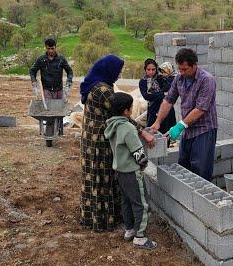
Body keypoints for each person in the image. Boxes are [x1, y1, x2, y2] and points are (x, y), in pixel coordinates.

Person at [79, 55, 155, 232]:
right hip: (100, 141)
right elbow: (123, 115)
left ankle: (95, 217)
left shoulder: (94, 83)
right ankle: (104, 219)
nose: (120, 74)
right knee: (102, 176)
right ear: (109, 70)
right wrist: (143, 131)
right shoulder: (103, 90)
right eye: (118, 70)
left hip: (91, 138)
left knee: (95, 175)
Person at [151, 48, 217, 181]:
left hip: (203, 131)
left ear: (195, 65)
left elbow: (200, 109)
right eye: (179, 69)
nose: (181, 72)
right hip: (188, 130)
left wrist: (179, 126)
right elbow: (168, 100)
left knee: (201, 171)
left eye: (184, 69)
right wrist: (158, 121)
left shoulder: (206, 80)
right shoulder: (179, 79)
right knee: (184, 167)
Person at [104, 92, 157, 250]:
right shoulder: (128, 128)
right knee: (141, 203)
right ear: (126, 111)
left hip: (120, 172)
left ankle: (129, 230)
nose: (132, 111)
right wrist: (147, 168)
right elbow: (138, 153)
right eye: (131, 108)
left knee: (126, 201)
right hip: (132, 172)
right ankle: (140, 237)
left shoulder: (112, 125)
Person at [29, 38, 74, 135]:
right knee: (49, 112)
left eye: (52, 48)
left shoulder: (61, 60)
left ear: (55, 48)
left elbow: (69, 71)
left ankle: (60, 131)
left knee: (59, 111)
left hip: (59, 90)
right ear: (45, 48)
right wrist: (33, 81)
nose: (50, 51)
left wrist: (69, 81)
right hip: (47, 89)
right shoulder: (41, 60)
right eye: (48, 48)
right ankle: (49, 129)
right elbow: (32, 71)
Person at [138, 58, 176, 139]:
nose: (151, 72)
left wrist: (155, 95)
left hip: (167, 110)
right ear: (145, 69)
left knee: (167, 135)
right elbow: (147, 96)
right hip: (153, 110)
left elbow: (169, 90)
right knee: (153, 134)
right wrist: (162, 94)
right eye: (148, 69)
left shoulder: (162, 78)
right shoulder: (143, 82)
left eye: (153, 69)